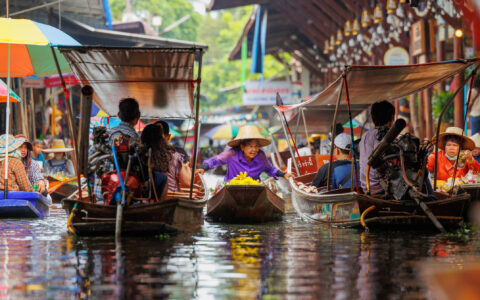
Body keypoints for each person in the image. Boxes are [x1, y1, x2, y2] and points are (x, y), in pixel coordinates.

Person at [197, 125, 294, 181]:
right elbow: (215, 160)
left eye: (256, 146)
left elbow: (270, 169)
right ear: (242, 147)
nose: (254, 150)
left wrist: (283, 174)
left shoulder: (260, 156)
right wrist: (203, 168)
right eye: (250, 146)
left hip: (254, 190)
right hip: (232, 189)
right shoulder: (232, 153)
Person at [92, 98, 141, 202]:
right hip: (129, 197)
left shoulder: (104, 137)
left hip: (101, 195)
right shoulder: (137, 141)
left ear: (119, 115)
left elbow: (89, 162)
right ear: (138, 116)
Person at [142, 123, 191, 195]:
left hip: (147, 198)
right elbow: (188, 182)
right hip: (172, 199)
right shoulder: (173, 156)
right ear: (162, 139)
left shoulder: (140, 156)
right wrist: (186, 167)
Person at [359, 100, 396, 194]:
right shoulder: (385, 136)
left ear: (373, 117)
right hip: (381, 188)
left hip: (366, 187)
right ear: (392, 117)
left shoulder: (365, 135)